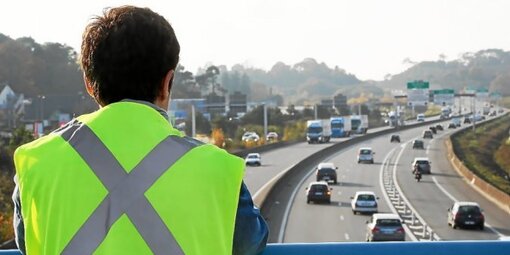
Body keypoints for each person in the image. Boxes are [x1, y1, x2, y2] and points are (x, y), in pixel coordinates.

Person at [12, 5, 268, 255]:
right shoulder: (218, 168)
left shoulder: (35, 162)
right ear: (167, 82)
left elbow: (29, 243)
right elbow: (250, 243)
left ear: (89, 84)